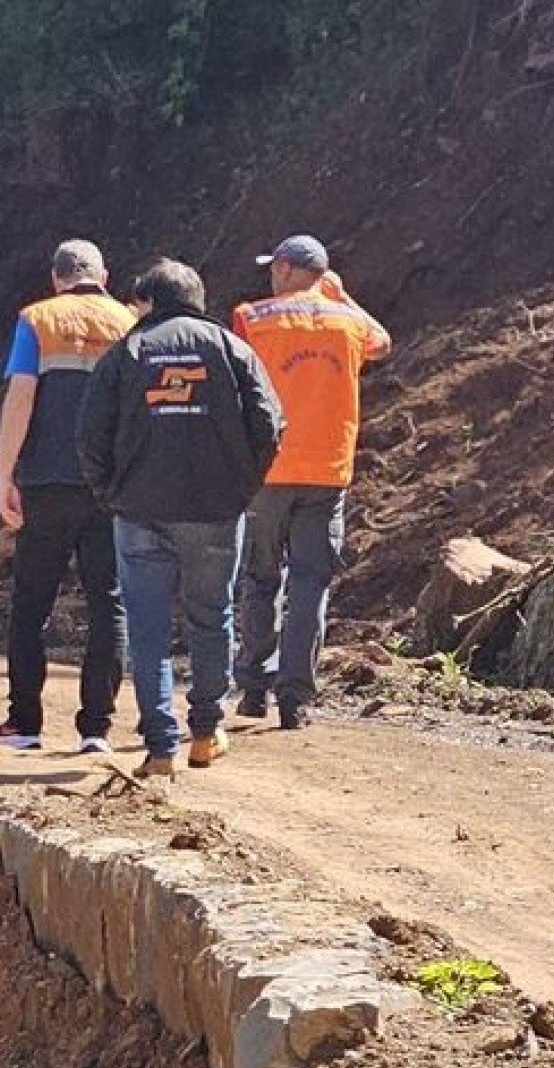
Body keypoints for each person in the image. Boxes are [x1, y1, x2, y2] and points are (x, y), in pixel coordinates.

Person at [76, 258, 284, 778]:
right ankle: (207, 731)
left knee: (146, 631)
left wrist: (110, 493)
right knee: (211, 617)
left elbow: (89, 435)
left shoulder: (126, 352)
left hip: (139, 512)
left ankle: (161, 746)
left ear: (148, 301)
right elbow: (269, 423)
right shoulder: (231, 349)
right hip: (215, 512)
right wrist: (241, 486)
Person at [230, 234, 392, 729]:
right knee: (310, 584)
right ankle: (295, 698)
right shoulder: (349, 323)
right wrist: (341, 297)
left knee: (260, 578)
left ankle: (253, 686)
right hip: (327, 473)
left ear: (282, 269)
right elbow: (382, 343)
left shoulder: (252, 318)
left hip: (266, 470)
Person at [0, 239, 138, 752]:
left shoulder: (38, 319)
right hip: (109, 488)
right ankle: (96, 728)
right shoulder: (128, 323)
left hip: (46, 483)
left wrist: (5, 475)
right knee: (109, 604)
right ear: (105, 275)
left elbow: (21, 397)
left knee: (32, 602)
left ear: (57, 278)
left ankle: (24, 723)